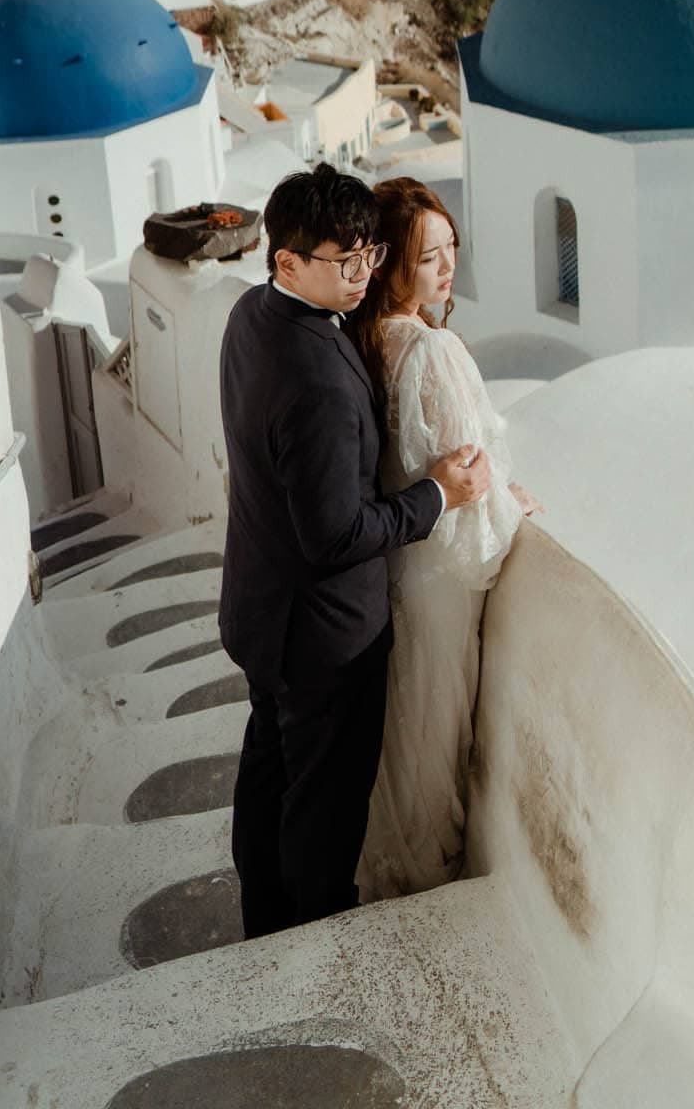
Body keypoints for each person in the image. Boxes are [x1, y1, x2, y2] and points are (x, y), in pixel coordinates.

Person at [217, 166, 492, 938]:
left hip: (260, 613)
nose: (363, 275)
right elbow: (336, 534)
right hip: (323, 639)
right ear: (287, 262)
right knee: (322, 812)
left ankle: (263, 923)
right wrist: (438, 495)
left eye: (369, 255)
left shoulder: (250, 317)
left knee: (268, 776)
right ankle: (314, 943)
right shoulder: (321, 381)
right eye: (345, 262)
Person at [356, 177, 540, 901]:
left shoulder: (369, 342)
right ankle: (425, 875)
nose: (446, 265)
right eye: (426, 255)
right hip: (439, 575)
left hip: (396, 565)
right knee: (434, 730)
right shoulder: (430, 350)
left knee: (402, 727)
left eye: (450, 248)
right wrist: (511, 509)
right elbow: (465, 472)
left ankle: (396, 868)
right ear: (392, 264)